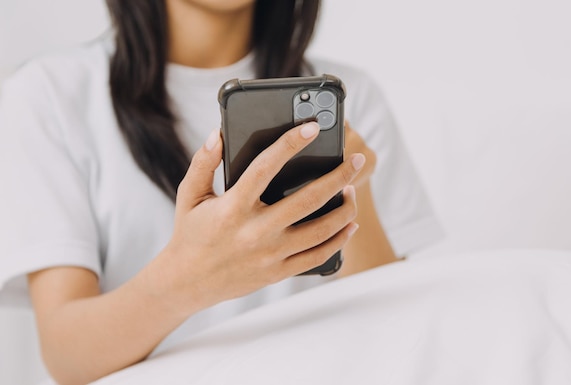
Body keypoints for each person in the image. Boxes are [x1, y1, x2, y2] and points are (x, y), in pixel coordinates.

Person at [0, 1, 443, 384]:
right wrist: (186, 280)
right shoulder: (49, 97)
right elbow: (67, 355)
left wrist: (347, 189)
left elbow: (395, 329)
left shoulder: (348, 98)